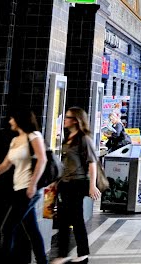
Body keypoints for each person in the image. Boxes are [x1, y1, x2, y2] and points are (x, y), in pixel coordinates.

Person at [0, 106, 49, 264]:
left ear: (20, 120)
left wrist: (33, 184)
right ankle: (42, 261)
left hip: (28, 190)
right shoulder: (15, 140)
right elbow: (5, 165)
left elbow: (43, 159)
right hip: (18, 189)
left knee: (7, 228)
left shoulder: (34, 136)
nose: (10, 121)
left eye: (12, 118)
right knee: (32, 230)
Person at [53, 106, 100, 264]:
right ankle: (63, 254)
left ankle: (83, 253)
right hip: (65, 183)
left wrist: (92, 186)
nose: (64, 119)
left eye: (67, 117)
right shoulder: (69, 137)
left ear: (76, 120)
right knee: (64, 220)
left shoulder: (84, 138)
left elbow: (92, 163)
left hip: (77, 184)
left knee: (76, 219)